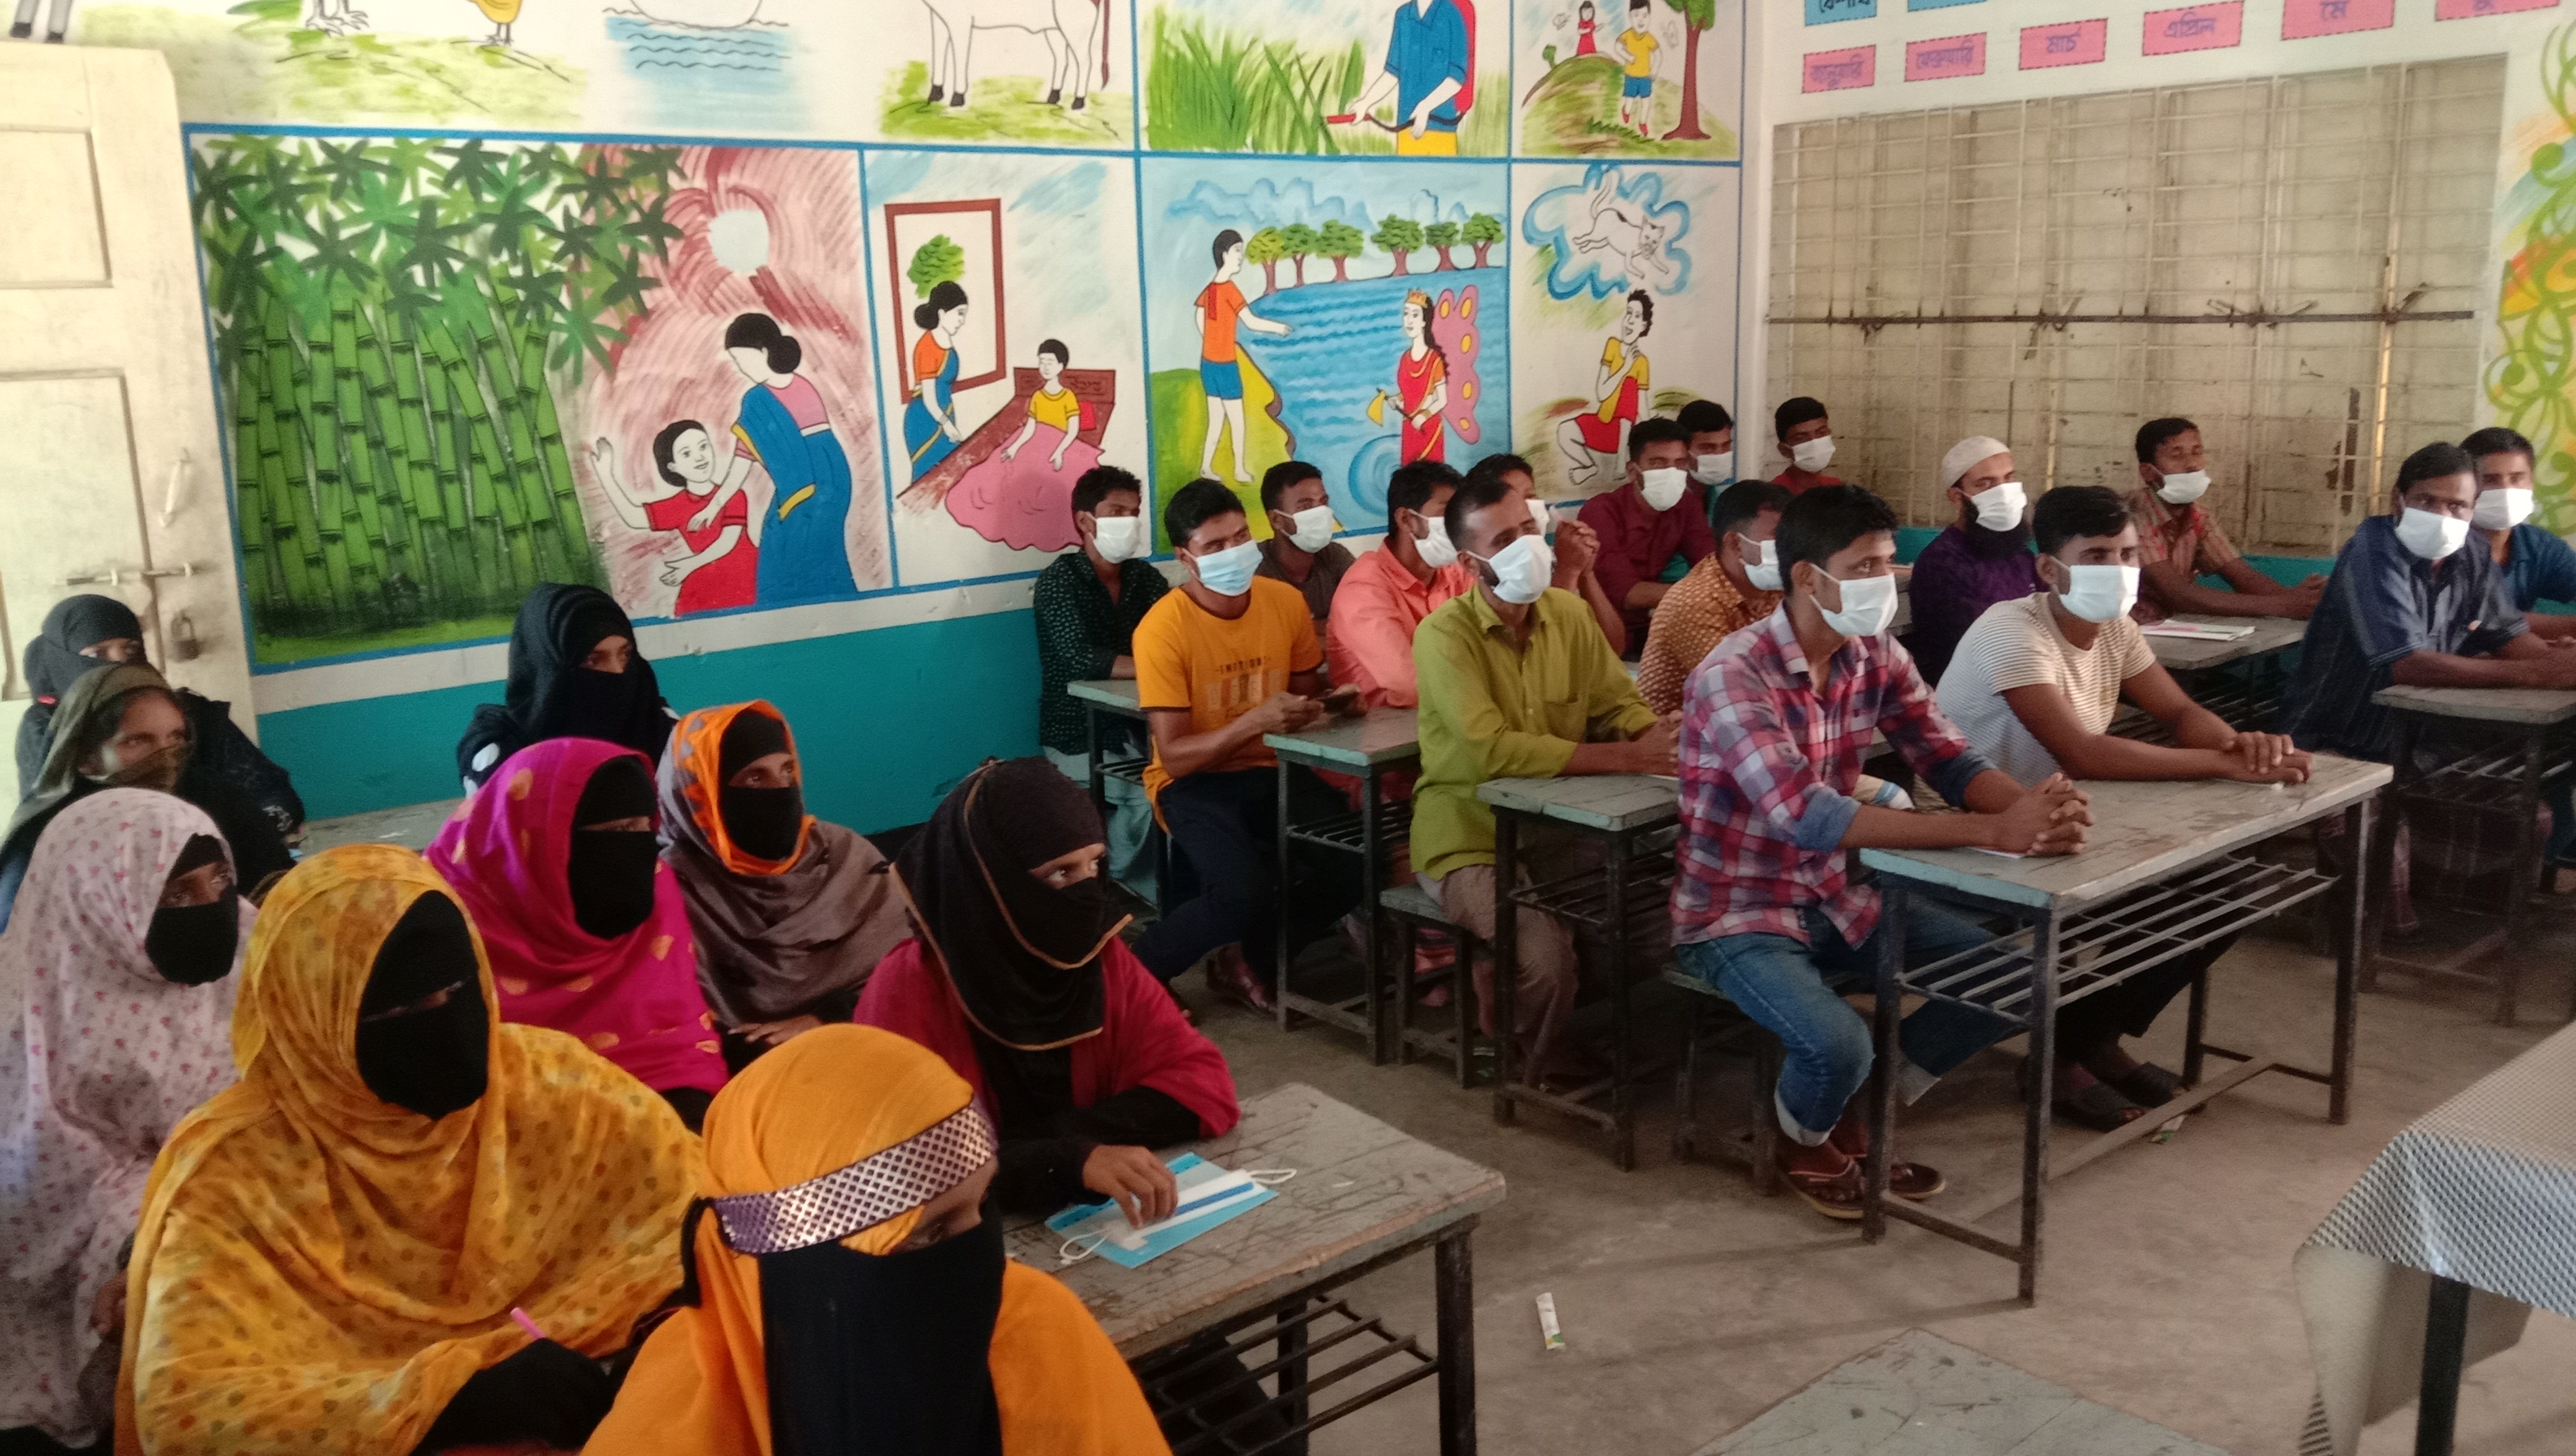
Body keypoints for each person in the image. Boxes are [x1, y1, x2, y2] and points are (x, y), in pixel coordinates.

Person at [114, 845, 701, 1456]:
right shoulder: (235, 1172)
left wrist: (659, 1339)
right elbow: (189, 1413)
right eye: (400, 1009)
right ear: (317, 1022)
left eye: (460, 988)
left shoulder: (553, 1085)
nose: (445, 1023)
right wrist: (444, 1405)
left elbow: (700, 1212)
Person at [1669, 485, 2092, 1220]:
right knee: (1838, 1043)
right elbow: (1804, 814)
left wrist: (2028, 816)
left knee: (2018, 981)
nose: (1883, 582)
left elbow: (1947, 758)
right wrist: (1988, 831)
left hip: (1835, 895)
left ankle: (1852, 1110)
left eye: (1885, 563)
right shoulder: (1733, 674)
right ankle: (1796, 1138)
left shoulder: (1872, 652)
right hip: (1735, 912)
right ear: (1807, 577)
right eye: (1862, 567)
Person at [583, 1024, 1172, 1456]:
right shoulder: (672, 1425)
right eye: (928, 1233)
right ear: (795, 1265)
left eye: (983, 1203)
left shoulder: (1036, 1327)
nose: (981, 1259)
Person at [1936, 485, 2313, 1127]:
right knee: (2166, 899)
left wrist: (2241, 747)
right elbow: (2083, 753)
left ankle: (2086, 1043)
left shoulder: (2114, 628)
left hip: (2061, 823)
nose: (2118, 570)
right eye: (2096, 556)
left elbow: (2178, 711)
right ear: (2049, 569)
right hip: (1977, 835)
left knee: (2225, 891)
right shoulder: (2010, 631)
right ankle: (2067, 1056)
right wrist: (2221, 764)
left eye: (2128, 554)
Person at [0, 793, 250, 1454]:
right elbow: (37, 1191)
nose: (211, 906)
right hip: (87, 1238)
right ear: (99, 898)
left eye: (220, 880)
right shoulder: (33, 1008)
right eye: (175, 895)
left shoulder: (252, 957)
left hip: (241, 1191)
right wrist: (162, 1224)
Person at [1412, 469, 1676, 1090]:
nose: (1527, 546)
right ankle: (1529, 1052)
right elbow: (1490, 749)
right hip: (1468, 833)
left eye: (1527, 529)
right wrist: (1627, 759)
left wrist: (1658, 737)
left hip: (1559, 823)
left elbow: (1617, 702)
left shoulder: (1568, 613)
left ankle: (1516, 993)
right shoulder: (1443, 635)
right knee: (1546, 958)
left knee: (1649, 932)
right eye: (1503, 540)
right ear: (1470, 563)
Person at [2282, 442, 2576, 934]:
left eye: (2457, 505)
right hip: (2341, 741)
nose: (2442, 516)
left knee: (2525, 815)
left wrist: (2556, 662)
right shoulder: (2373, 550)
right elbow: (2408, 665)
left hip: (2421, 740)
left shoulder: (2472, 552)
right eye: (2426, 501)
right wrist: (2542, 673)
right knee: (2372, 846)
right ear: (2398, 499)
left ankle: (2455, 909)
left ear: (2473, 509)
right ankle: (2371, 920)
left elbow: (2509, 638)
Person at [1128, 480, 1362, 1011]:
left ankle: (1250, 960)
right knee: (1240, 894)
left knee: (1354, 862)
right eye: (1215, 546)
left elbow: (1302, 700)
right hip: (1195, 782)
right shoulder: (1162, 629)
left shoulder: (1284, 602)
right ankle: (1138, 974)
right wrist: (1251, 722)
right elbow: (1176, 757)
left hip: (1269, 767)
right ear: (1186, 558)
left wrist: (1334, 704)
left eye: (1239, 538)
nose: (1233, 552)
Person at [429, 737, 728, 1130]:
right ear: (545, 838)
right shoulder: (448, 922)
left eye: (645, 827)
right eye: (621, 830)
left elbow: (681, 1038)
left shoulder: (657, 887)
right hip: (514, 1123)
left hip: (664, 1092)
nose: (642, 849)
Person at [659, 700, 912, 1066]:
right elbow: (672, 1024)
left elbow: (911, 974)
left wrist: (828, 1019)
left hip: (872, 1049)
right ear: (702, 793)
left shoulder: (843, 856)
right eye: (755, 778)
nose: (780, 790)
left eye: (788, 771)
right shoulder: (672, 886)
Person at [1, 663, 294, 934]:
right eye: (137, 741)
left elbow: (283, 897)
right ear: (86, 757)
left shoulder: (217, 803)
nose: (165, 756)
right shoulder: (51, 840)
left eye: (176, 737)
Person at [15, 596, 304, 846]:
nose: (120, 663)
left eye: (130, 649)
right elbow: (48, 828)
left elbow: (275, 794)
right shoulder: (47, 727)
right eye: (98, 654)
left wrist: (244, 835)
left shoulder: (191, 713)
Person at [1033, 466, 1170, 898]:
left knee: (1182, 780)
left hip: (1137, 726)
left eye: (1134, 512)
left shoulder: (1145, 580)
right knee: (1148, 792)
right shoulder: (1059, 582)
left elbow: (1177, 638)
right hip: (1076, 733)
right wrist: (1159, 665)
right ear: (1084, 520)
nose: (1129, 521)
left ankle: (1146, 883)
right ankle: (1117, 879)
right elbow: (1080, 658)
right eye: (1116, 512)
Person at [2463, 426, 2576, 867]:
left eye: (2517, 478)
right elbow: (2483, 618)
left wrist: (2553, 643)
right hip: (2467, 683)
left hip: (2520, 678)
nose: (2505, 491)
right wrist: (2555, 638)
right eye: (2490, 480)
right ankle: (2549, 846)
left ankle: (2556, 844)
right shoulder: (2448, 546)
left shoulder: (2534, 545)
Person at [456, 582, 677, 792]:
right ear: (547, 668)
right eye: (592, 660)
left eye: (625, 655)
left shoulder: (661, 728)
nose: (618, 672)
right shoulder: (502, 753)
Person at [2126, 416, 2322, 622]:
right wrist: (2285, 605)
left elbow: (2243, 577)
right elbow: (2180, 595)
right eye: (2177, 456)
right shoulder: (2134, 515)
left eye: (2197, 453)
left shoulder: (2199, 515)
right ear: (2148, 472)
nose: (2192, 465)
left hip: (2163, 625)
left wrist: (2301, 601)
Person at [728, 312, 859, 604]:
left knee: (789, 554)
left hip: (812, 484)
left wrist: (715, 504)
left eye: (741, 359)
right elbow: (746, 454)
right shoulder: (799, 384)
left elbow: (742, 461)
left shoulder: (757, 399)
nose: (740, 369)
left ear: (763, 352)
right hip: (833, 478)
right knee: (818, 555)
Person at [1328, 460, 1477, 709]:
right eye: (1447, 514)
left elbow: (1495, 648)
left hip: (1453, 713)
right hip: (1384, 727)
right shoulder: (1364, 588)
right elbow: (1410, 685)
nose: (1459, 526)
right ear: (1407, 519)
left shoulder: (1455, 572)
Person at [1635, 480, 1789, 716]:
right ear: (1735, 544)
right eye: (1779, 537)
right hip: (1678, 732)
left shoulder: (1776, 587)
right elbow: (1742, 687)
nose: (1792, 548)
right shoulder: (1694, 601)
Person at [1906, 436, 2043, 685]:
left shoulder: (2020, 553)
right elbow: (1978, 650)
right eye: (1985, 484)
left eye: (2008, 478)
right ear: (1957, 497)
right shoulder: (1943, 563)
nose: (2002, 492)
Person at [589, 419, 760, 617]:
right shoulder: (679, 506)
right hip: (706, 583)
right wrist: (606, 476)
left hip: (747, 577)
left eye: (703, 446)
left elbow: (727, 543)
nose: (700, 457)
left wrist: (688, 565)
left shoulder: (733, 496)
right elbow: (633, 517)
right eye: (687, 454)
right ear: (673, 467)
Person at [1468, 453, 1632, 655]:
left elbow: (1612, 648)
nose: (1526, 507)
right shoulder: (1491, 569)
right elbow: (1542, 652)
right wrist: (1569, 571)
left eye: (1531, 496)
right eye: (1512, 499)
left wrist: (1586, 573)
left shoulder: (1557, 556)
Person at [1578, 415, 1717, 653]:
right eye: (1658, 463)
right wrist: (1702, 593)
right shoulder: (1600, 512)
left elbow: (1712, 566)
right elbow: (1630, 594)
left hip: (1654, 625)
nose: (1671, 472)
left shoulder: (1686, 505)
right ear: (1633, 471)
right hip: (1599, 633)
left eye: (1679, 463)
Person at [1196, 231, 1292, 485]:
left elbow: (1199, 317)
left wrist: (1211, 341)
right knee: (1237, 420)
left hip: (1208, 363)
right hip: (1225, 364)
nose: (1242, 256)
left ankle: (1206, 467)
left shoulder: (1210, 289)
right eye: (1237, 250)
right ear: (1224, 254)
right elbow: (1250, 322)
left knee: (1216, 419)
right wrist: (1279, 328)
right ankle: (1239, 469)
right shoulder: (1229, 290)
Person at [1344, 0, 1471, 155]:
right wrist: (1366, 103)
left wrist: (1425, 107)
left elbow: (1456, 78)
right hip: (1406, 127)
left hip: (1441, 128)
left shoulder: (1451, 14)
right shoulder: (1403, 15)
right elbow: (1392, 73)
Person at [1556, 291, 1652, 489]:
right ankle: (1589, 466)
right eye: (1628, 313)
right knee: (1564, 431)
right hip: (1604, 424)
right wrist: (1625, 367)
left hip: (1626, 435)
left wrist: (1653, 435)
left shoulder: (1642, 362)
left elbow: (1642, 407)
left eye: (1636, 316)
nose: (1630, 320)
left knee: (1629, 387)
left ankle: (1620, 463)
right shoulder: (1613, 346)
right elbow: (1602, 393)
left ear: (1643, 325)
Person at [1256, 459, 1357, 630]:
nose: (1320, 513)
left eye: (1323, 503)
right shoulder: (1255, 570)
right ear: (1276, 520)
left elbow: (1363, 617)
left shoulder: (1334, 555)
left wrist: (1303, 628)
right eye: (1305, 507)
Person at [903, 284, 972, 479]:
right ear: (942, 313)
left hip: (944, 412)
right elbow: (929, 399)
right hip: (926, 419)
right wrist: (947, 425)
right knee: (928, 476)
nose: (962, 321)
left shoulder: (946, 341)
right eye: (960, 313)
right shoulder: (927, 346)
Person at [1001, 337, 1081, 473]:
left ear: (1061, 366)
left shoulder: (1068, 396)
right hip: (1039, 443)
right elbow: (1030, 428)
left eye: (1050, 363)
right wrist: (1014, 447)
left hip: (1061, 443)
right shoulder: (1038, 396)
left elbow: (1073, 430)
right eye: (1042, 362)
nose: (1045, 368)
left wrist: (1059, 451)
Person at [1392, 289, 1451, 462]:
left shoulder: (1434, 360)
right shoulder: (1405, 359)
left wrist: (1423, 416)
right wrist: (1397, 399)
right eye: (1406, 314)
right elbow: (1410, 393)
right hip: (1409, 427)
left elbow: (1442, 400)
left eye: (1415, 315)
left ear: (1425, 321)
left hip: (1428, 428)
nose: (1409, 320)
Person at [1772, 396, 1843, 495]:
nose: (1814, 443)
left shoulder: (1835, 488)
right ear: (1784, 450)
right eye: (1801, 438)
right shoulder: (1775, 494)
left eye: (1821, 433)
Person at [1613, 0, 1657, 136]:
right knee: (1630, 103)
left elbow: (1659, 55)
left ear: (1650, 17)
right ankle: (1625, 111)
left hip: (1645, 78)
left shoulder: (1649, 38)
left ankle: (1643, 123)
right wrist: (1628, 57)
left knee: (1646, 103)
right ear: (1630, 16)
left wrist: (1654, 71)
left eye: (1645, 15)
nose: (1641, 20)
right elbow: (1617, 47)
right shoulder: (1628, 35)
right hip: (1631, 76)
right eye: (1637, 15)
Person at [1679, 397, 1735, 496]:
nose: (1719, 454)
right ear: (1683, 449)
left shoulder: (1729, 494)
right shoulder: (1665, 496)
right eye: (1708, 447)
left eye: (1726, 445)